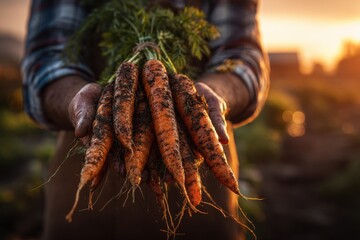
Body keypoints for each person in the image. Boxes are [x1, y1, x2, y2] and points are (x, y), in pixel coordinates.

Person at [22, 0, 269, 239]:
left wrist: (216, 96)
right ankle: (83, 194)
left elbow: (243, 56)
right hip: (87, 167)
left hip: (199, 178)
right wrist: (76, 104)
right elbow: (46, 58)